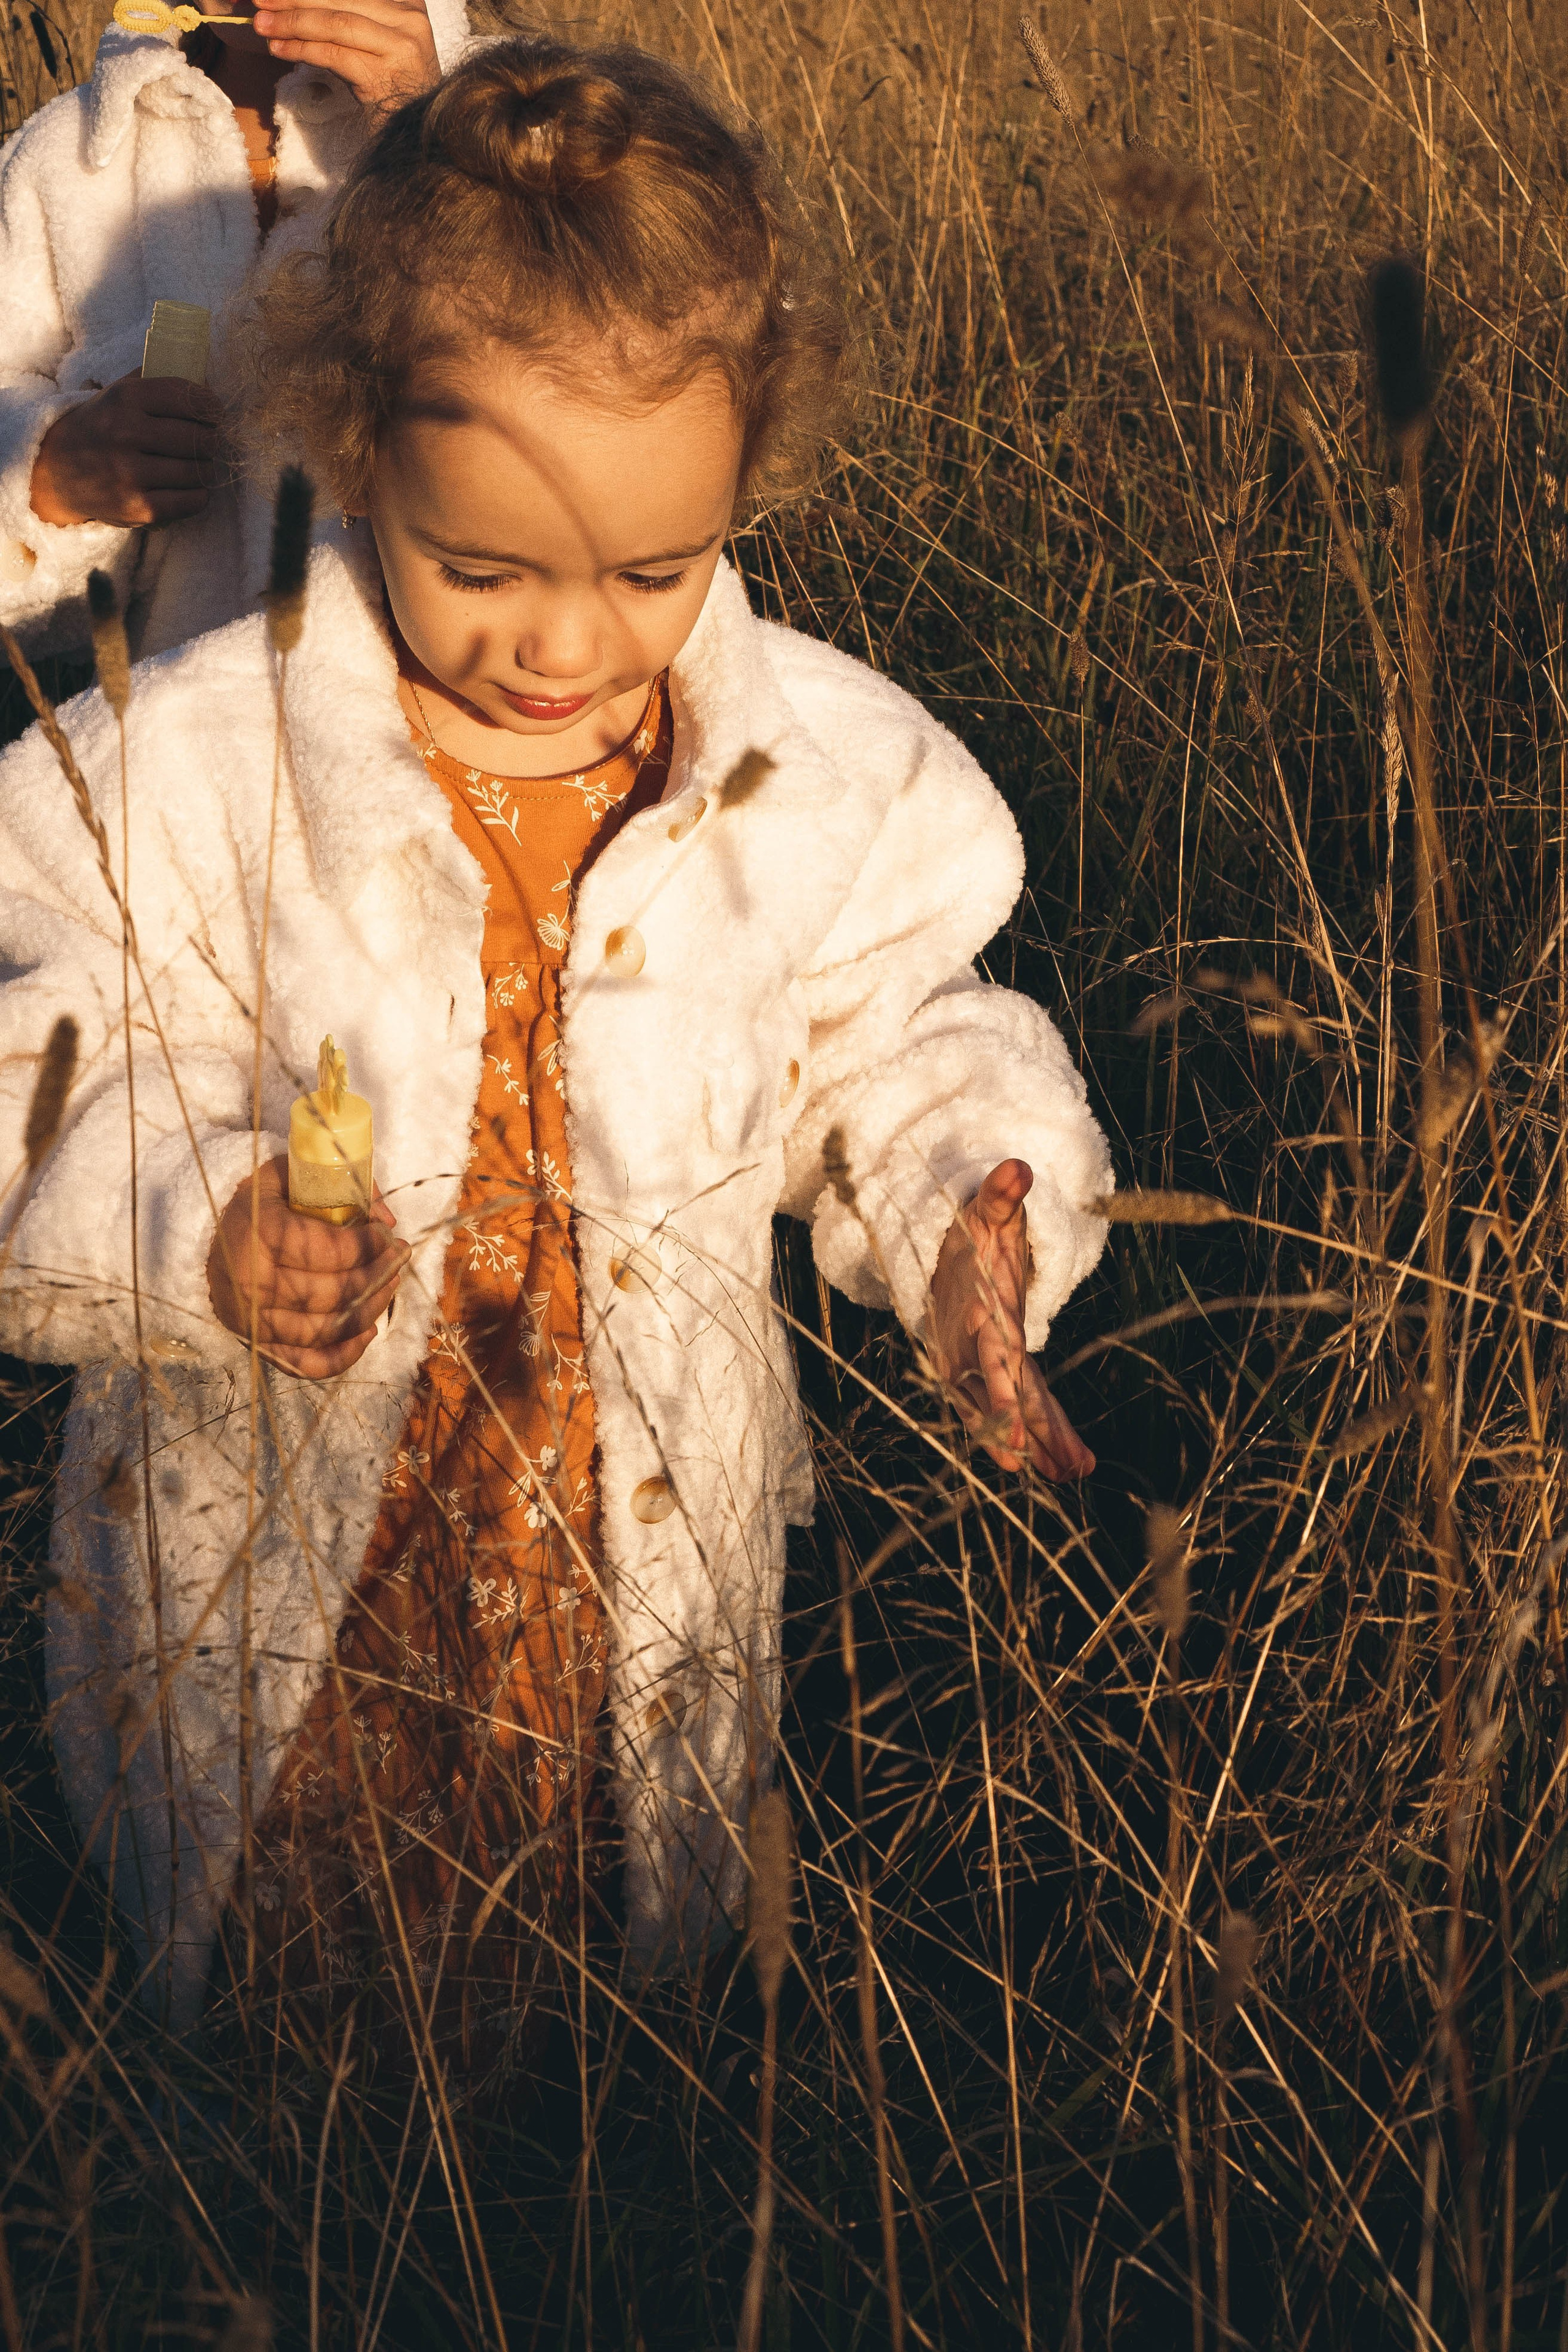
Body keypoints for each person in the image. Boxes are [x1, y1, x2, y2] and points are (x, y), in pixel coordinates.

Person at [0, 37, 1112, 2073]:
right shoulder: (184, 777)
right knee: (299, 2004)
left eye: (649, 572)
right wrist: (190, 1224)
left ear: (743, 477)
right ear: (350, 455)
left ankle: (592, 2175)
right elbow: (29, 1069)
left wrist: (970, 1209)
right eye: (482, 570)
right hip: (298, 1555)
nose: (562, 646)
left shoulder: (813, 779)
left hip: (610, 1539)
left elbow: (906, 1032)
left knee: (610, 1980)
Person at [0, 0, 469, 662]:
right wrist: (49, 476)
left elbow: (592, 414)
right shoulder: (60, 157)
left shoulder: (517, 114)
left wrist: (434, 140)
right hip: (173, 737)